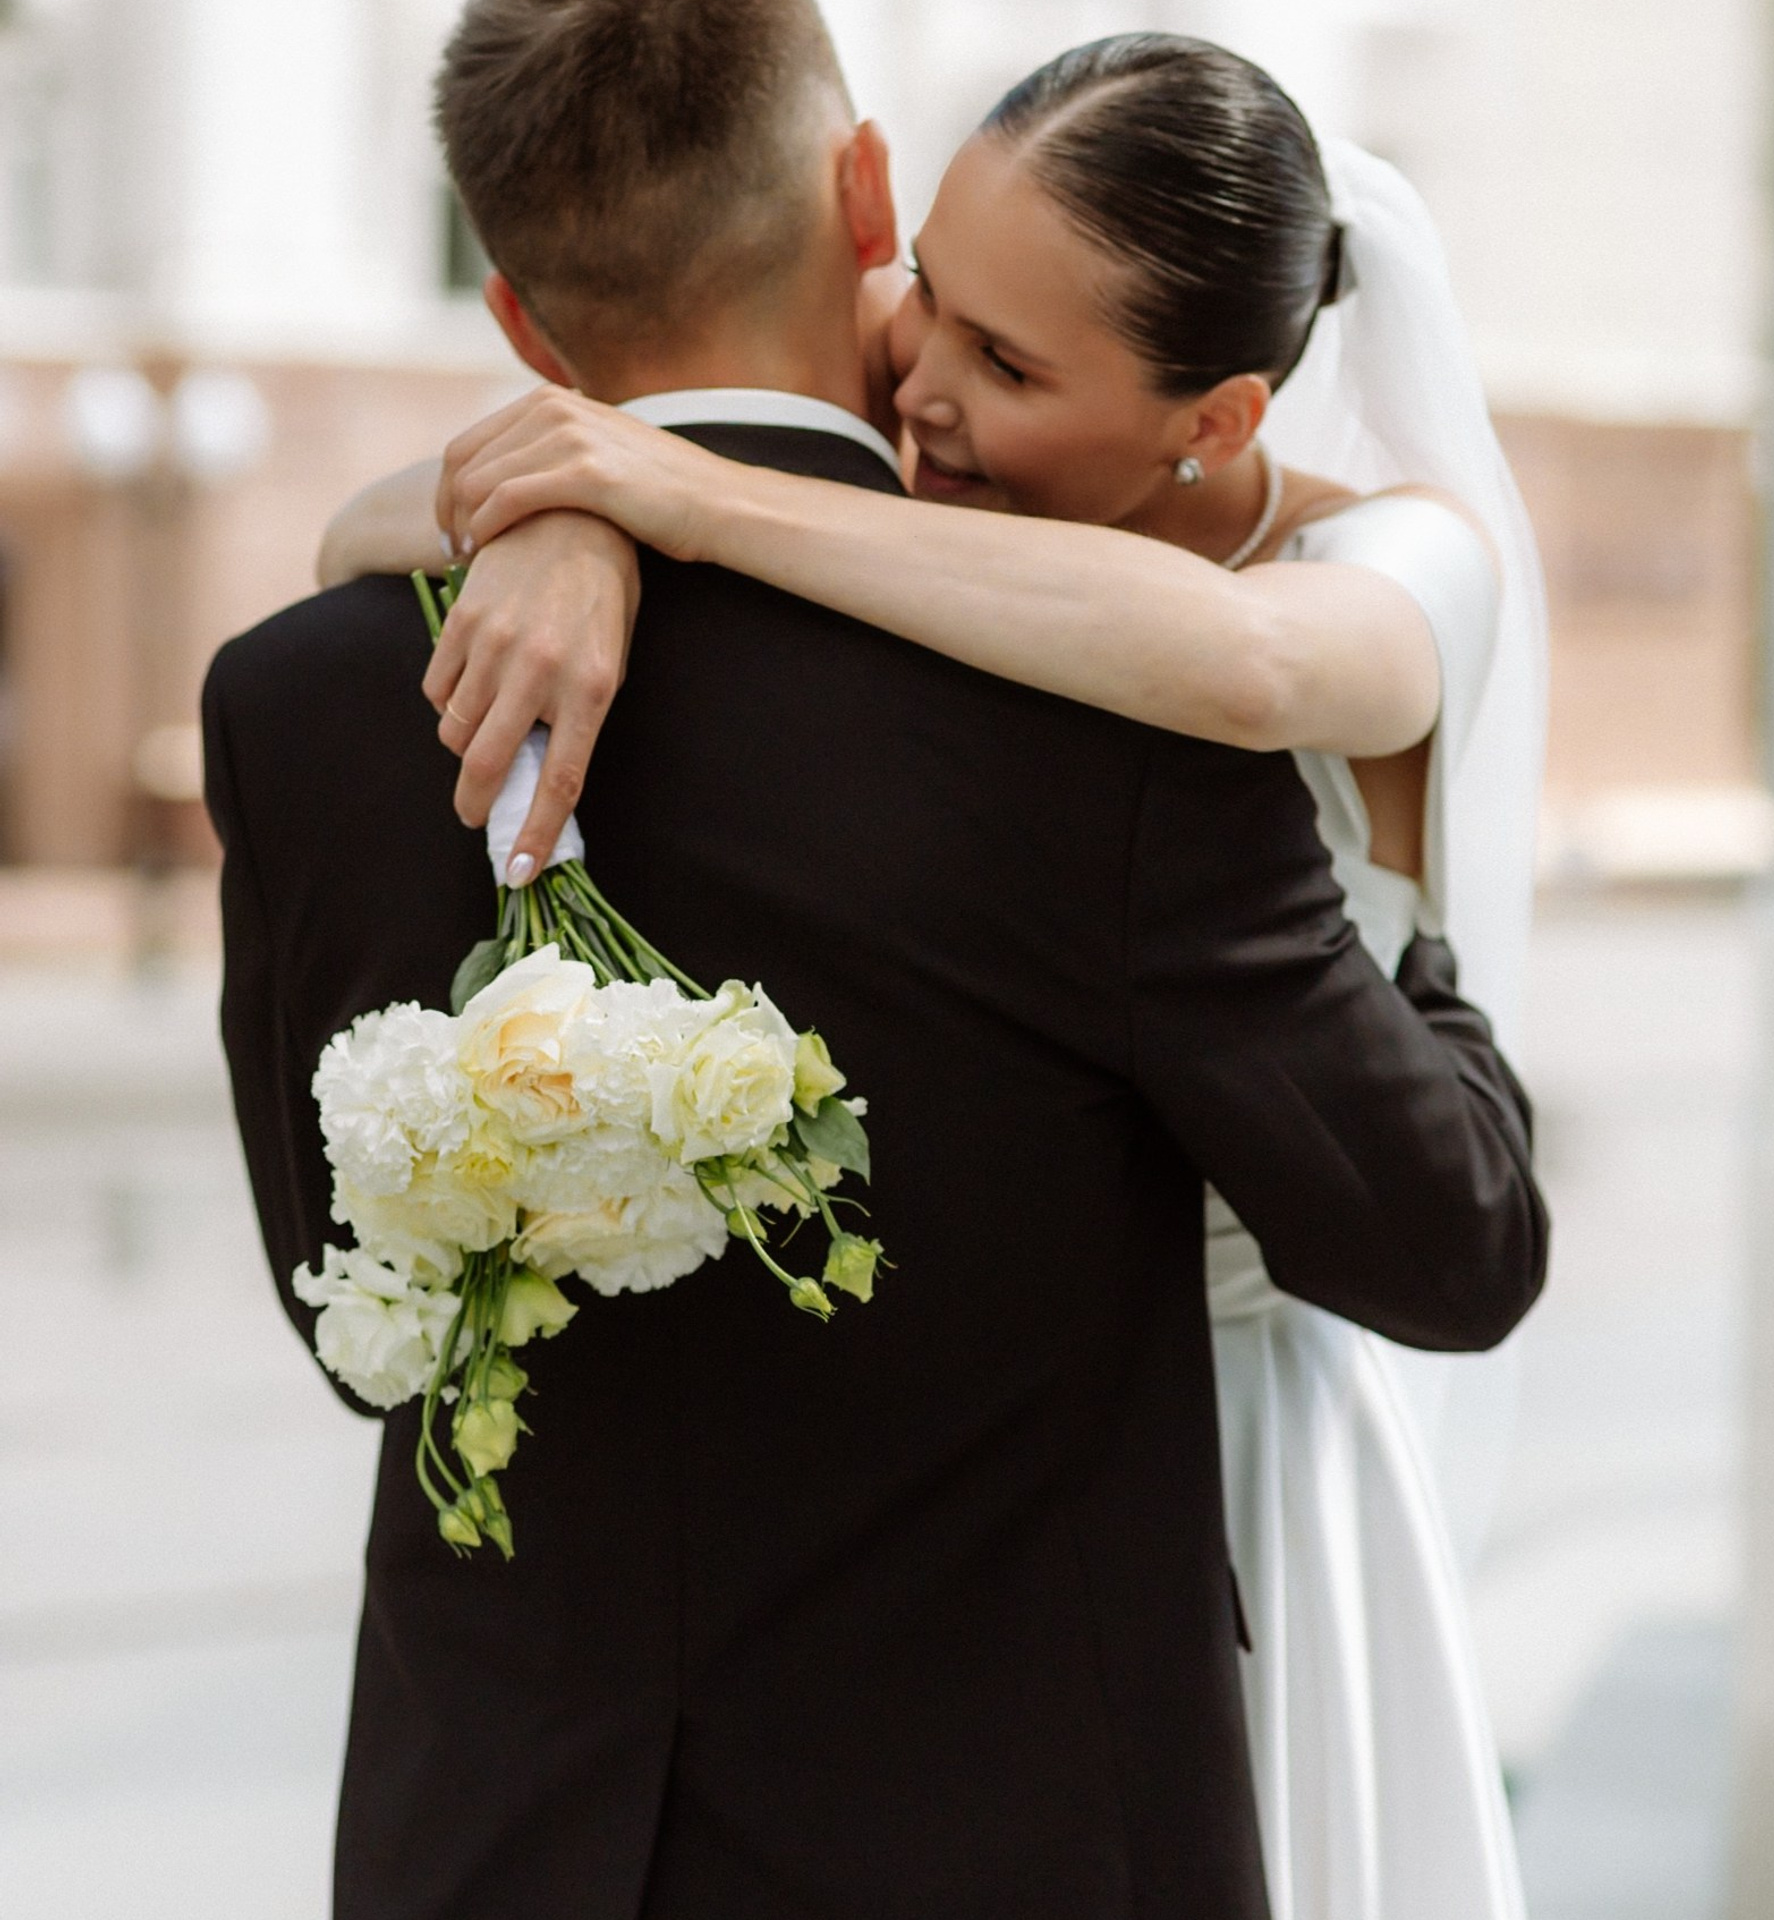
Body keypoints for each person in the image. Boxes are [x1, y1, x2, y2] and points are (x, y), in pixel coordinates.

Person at [206, 7, 1546, 1918]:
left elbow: (353, 1328)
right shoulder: (1118, 723)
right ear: (866, 194)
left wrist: (595, 495)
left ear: (514, 319)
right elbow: (1452, 1244)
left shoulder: (300, 701)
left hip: (494, 1839)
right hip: (1012, 1840)